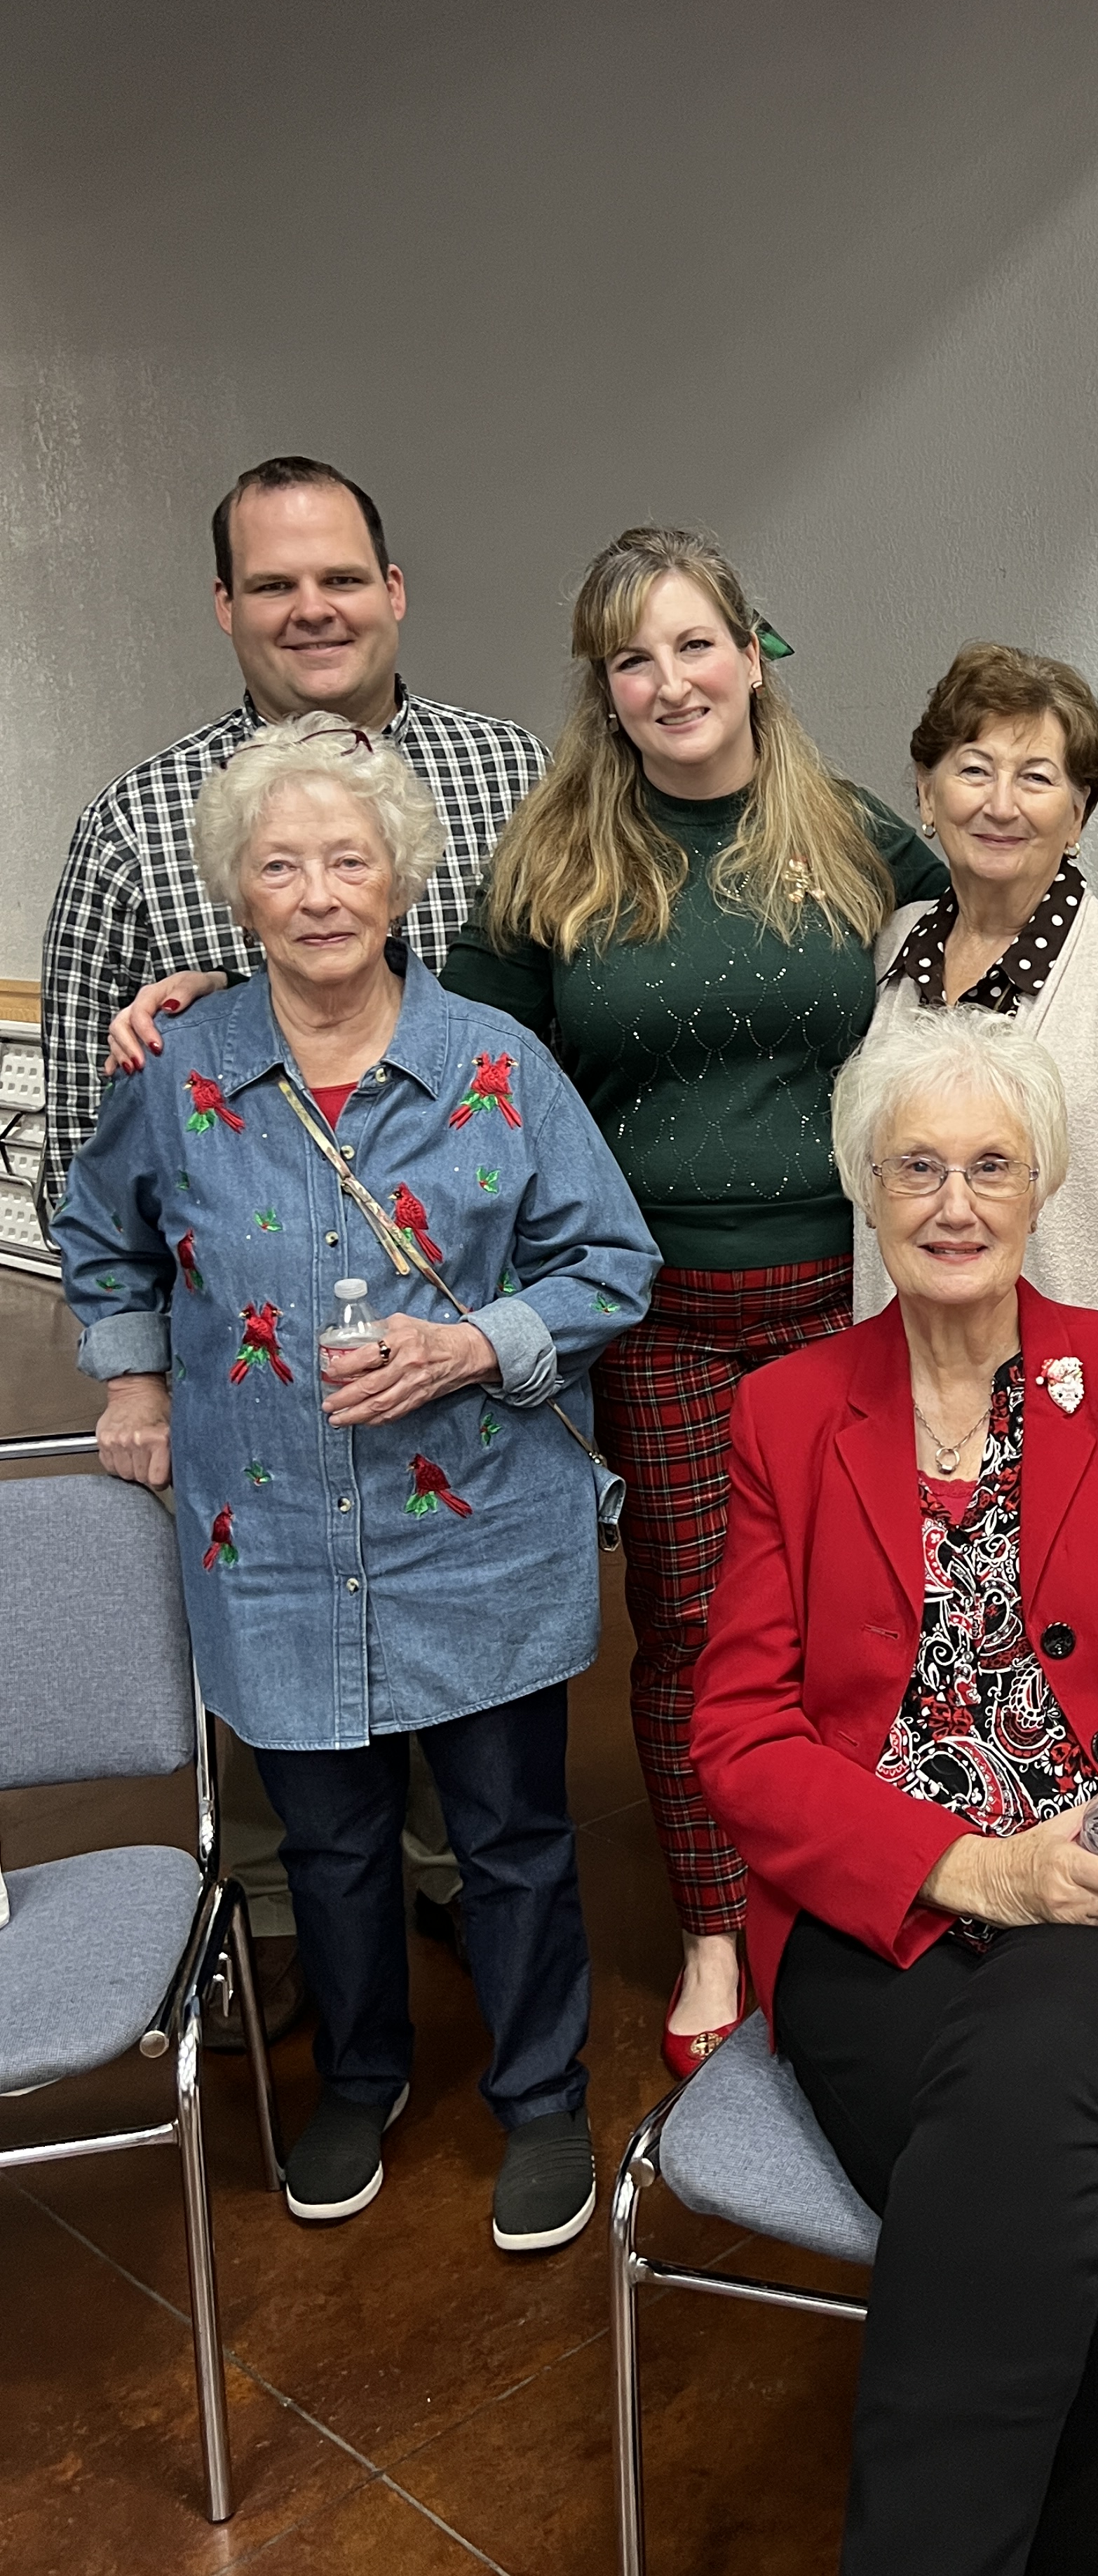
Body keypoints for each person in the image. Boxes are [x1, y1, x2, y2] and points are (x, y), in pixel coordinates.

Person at [694, 1009, 1098, 2576]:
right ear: (866, 1186)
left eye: (991, 1166)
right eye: (917, 1166)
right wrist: (968, 1870)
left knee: (1031, 2093)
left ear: (1041, 1185)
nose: (954, 1202)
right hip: (872, 1917)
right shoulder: (786, 1411)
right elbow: (741, 1737)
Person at [54, 720, 656, 2248]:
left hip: (478, 1528)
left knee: (509, 1835)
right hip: (271, 1535)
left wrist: (470, 1345)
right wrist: (132, 1376)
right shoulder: (183, 1070)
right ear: (237, 894)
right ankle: (361, 2076)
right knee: (326, 1841)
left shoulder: (496, 1066)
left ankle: (540, 2095)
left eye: (347, 859)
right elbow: (103, 1230)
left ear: (400, 878)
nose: (319, 893)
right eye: (281, 866)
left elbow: (610, 1262)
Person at [49, 454, 551, 2035]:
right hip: (268, 1391)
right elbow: (85, 1140)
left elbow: (566, 1016)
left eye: (340, 576)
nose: (311, 608)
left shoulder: (514, 773)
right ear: (225, 606)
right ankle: (304, 1939)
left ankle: (464, 1897)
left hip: (468, 1376)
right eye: (273, 583)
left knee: (496, 1766)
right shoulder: (137, 826)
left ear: (394, 590)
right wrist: (133, 1368)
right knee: (304, 1740)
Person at [441, 527, 946, 2079]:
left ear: (752, 653)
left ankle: (855, 1886)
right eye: (632, 659)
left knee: (868, 1607)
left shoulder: (847, 831)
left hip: (849, 1295)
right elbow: (452, 1063)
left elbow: (1009, 930)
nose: (670, 682)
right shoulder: (553, 862)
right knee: (695, 1622)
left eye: (694, 644)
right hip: (653, 1311)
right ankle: (719, 1922)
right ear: (603, 689)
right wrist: (232, 997)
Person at [853, 641, 1098, 1358]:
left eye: (1035, 778)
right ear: (928, 794)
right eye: (974, 770)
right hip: (904, 1379)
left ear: (1077, 815)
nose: (1001, 805)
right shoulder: (891, 952)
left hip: (1092, 1392)